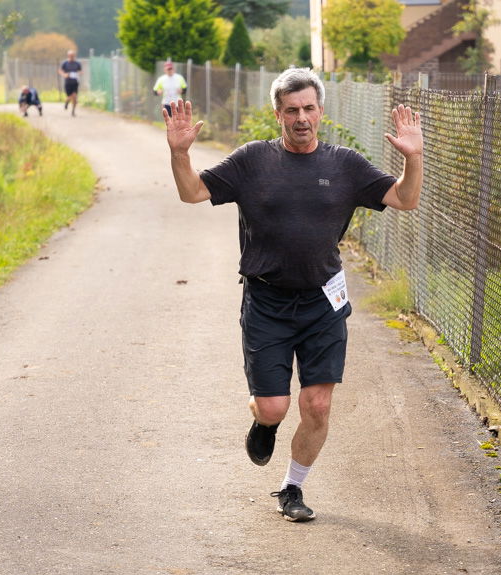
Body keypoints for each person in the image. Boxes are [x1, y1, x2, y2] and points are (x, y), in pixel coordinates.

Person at [163, 68, 424, 522]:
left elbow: (405, 199)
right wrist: (180, 154)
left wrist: (414, 159)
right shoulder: (252, 161)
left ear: (320, 111)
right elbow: (192, 193)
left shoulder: (345, 165)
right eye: (291, 110)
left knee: (317, 404)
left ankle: (291, 488)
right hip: (267, 301)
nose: (301, 118)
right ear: (277, 113)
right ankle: (265, 424)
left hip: (324, 301)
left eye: (308, 108)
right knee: (273, 406)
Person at [58, 50, 82, 117]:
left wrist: (78, 73)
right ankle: (67, 102)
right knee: (69, 96)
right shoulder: (65, 63)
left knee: (74, 97)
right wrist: (64, 75)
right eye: (71, 56)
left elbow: (80, 71)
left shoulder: (77, 63)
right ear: (68, 56)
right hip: (68, 82)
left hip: (75, 82)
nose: (72, 57)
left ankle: (73, 111)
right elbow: (60, 71)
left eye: (73, 56)